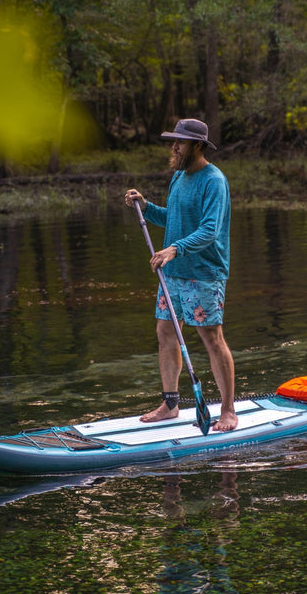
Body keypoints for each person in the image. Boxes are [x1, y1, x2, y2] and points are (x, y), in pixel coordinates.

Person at [125, 118, 237, 432]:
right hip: (172, 275)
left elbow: (210, 231)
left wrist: (174, 249)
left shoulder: (214, 181)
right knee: (165, 333)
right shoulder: (178, 176)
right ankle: (171, 404)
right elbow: (173, 219)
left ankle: (228, 411)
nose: (174, 147)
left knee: (212, 340)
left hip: (203, 273)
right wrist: (146, 207)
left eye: (181, 142)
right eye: (174, 141)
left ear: (198, 145)